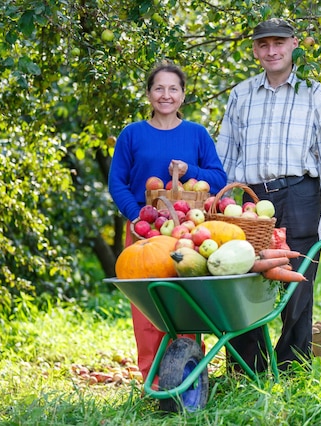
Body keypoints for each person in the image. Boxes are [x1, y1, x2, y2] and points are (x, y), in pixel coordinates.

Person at [216, 18, 321, 372]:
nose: (271, 50)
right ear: (255, 50)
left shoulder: (316, 93)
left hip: (301, 194)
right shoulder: (241, 94)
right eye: (263, 44)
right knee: (241, 279)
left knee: (298, 284)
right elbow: (225, 155)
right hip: (250, 201)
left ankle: (292, 365)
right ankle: (248, 366)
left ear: (294, 44)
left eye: (279, 43)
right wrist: (219, 204)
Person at [108, 62, 227, 381]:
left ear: (183, 95)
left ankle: (189, 377)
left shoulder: (197, 134)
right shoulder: (132, 134)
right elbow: (117, 182)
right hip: (145, 235)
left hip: (187, 236)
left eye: (173, 88)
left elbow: (218, 178)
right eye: (159, 88)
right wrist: (136, 217)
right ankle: (153, 381)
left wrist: (191, 171)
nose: (166, 95)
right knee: (148, 310)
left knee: (186, 305)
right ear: (148, 94)